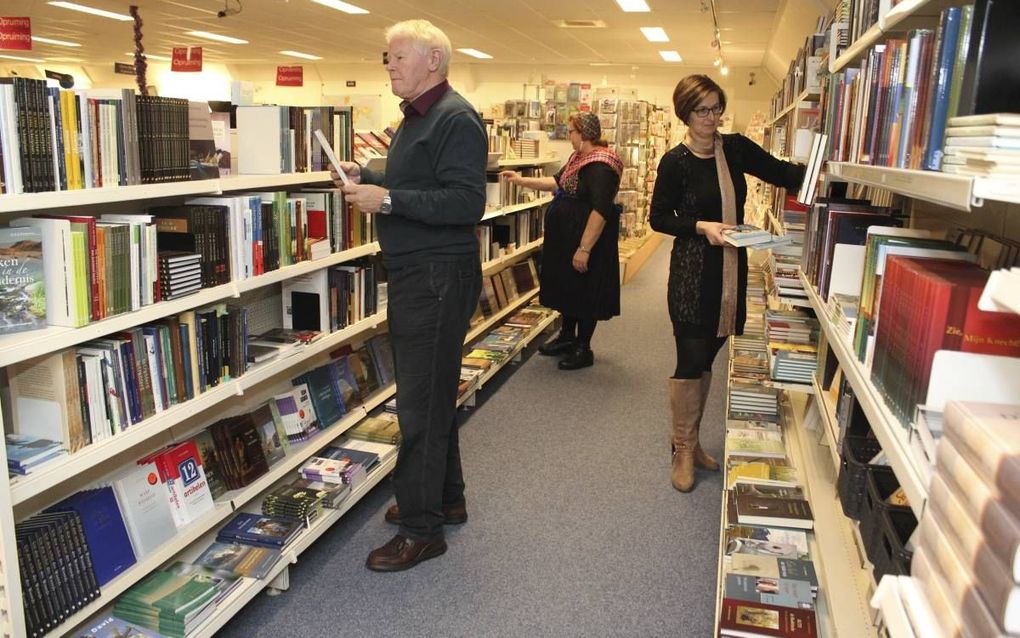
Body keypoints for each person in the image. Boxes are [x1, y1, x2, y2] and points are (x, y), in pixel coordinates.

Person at [330, 19, 486, 571]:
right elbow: (420, 175)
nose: (390, 65)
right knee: (433, 392)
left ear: (434, 61)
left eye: (399, 57)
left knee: (419, 403)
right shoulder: (419, 116)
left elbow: (468, 203)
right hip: (422, 274)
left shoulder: (456, 117)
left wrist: (387, 200)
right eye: (387, 57)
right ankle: (447, 498)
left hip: (436, 278)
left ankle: (424, 530)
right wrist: (369, 171)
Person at [650, 74, 805, 492]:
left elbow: (783, 173)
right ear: (685, 112)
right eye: (702, 110)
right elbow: (659, 218)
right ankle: (682, 449)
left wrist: (832, 169)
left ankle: (691, 439)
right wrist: (702, 226)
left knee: (707, 359)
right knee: (689, 359)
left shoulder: (734, 148)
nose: (712, 117)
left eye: (717, 108)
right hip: (691, 274)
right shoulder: (675, 162)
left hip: (728, 275)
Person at [500, 112, 623, 370]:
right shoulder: (578, 158)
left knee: (586, 291)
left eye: (571, 132)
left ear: (584, 134)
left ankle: (583, 347)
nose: (568, 136)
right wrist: (520, 180)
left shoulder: (601, 165)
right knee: (568, 288)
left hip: (587, 241)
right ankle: (567, 337)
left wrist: (584, 249)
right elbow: (556, 183)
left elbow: (600, 211)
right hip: (568, 238)